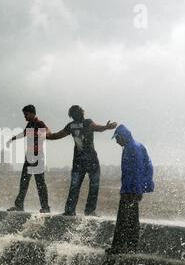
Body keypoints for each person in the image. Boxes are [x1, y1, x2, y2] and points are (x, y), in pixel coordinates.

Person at [47, 105, 117, 216]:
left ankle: (69, 210)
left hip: (78, 161)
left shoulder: (70, 126)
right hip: (91, 159)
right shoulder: (87, 123)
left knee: (75, 186)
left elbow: (55, 136)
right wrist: (106, 127)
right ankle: (89, 211)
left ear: (72, 116)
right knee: (94, 185)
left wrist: (45, 134)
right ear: (82, 112)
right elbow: (98, 128)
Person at [106, 125, 154, 254]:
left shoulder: (132, 148)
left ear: (122, 136)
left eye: (117, 138)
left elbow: (137, 171)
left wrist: (137, 190)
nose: (116, 141)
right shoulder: (133, 146)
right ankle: (131, 247)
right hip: (131, 188)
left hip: (131, 190)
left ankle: (119, 247)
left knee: (124, 219)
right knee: (131, 218)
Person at [6, 105, 51, 213]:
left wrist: (41, 134)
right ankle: (19, 206)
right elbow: (24, 133)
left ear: (32, 113)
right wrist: (13, 138)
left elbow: (48, 132)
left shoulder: (39, 123)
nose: (25, 117)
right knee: (23, 183)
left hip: (38, 157)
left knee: (40, 184)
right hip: (29, 157)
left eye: (26, 114)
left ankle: (45, 208)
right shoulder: (29, 124)